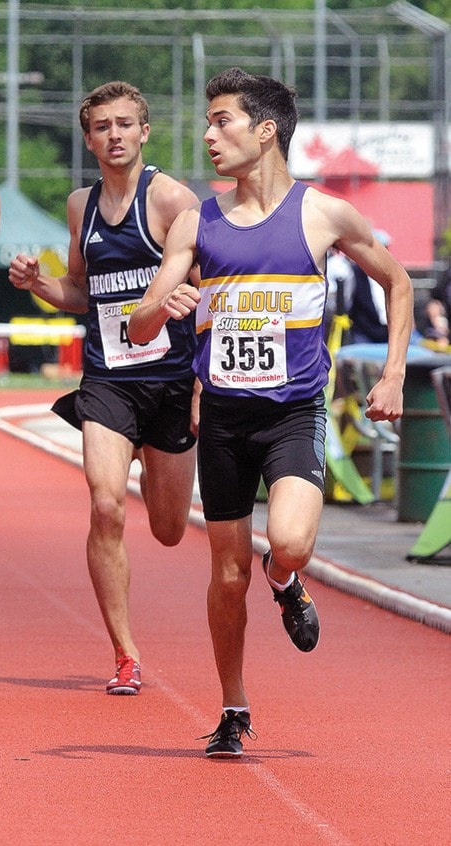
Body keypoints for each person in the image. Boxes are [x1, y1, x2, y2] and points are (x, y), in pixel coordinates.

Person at [128, 67, 413, 754]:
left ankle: (284, 580)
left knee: (287, 542)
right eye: (207, 120)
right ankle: (232, 708)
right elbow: (137, 326)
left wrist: (394, 374)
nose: (206, 134)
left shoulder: (322, 214)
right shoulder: (198, 221)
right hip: (222, 420)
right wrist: (158, 308)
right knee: (224, 576)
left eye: (221, 119)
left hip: (291, 414)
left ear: (264, 130)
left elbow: (398, 281)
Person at [8, 81, 200, 696]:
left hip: (170, 382)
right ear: (87, 138)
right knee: (104, 504)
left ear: (145, 131)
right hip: (109, 380)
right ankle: (124, 652)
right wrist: (39, 284)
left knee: (170, 530)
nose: (113, 135)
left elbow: (212, 291)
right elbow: (81, 291)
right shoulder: (79, 206)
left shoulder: (172, 199)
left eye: (125, 124)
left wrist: (202, 378)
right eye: (101, 127)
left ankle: (150, 456)